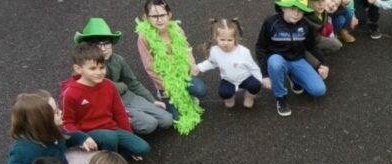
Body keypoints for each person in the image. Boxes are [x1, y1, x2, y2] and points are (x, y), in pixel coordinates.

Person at [75, 17, 174, 135]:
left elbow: (132, 82)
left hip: (129, 97)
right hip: (112, 105)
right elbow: (101, 91)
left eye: (107, 43)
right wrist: (121, 87)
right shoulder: (86, 68)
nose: (103, 49)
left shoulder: (118, 59)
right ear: (89, 47)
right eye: (98, 45)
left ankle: (139, 116)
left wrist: (151, 100)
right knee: (149, 124)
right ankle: (121, 124)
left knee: (167, 119)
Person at [61, 43, 152, 159]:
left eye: (102, 67)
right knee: (109, 138)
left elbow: (120, 114)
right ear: (78, 69)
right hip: (88, 133)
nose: (99, 72)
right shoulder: (70, 93)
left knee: (143, 149)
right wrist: (82, 138)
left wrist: (129, 137)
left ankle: (110, 151)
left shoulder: (109, 85)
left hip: (111, 129)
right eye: (93, 68)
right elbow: (67, 123)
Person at [0, 91, 96, 164]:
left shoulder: (51, 134)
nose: (61, 111)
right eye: (55, 112)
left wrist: (82, 138)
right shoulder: (25, 151)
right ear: (42, 120)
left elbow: (67, 138)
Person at [136, 0, 206, 132]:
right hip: (165, 81)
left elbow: (186, 49)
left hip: (182, 74)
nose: (159, 20)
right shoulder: (144, 37)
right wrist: (166, 86)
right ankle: (165, 95)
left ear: (169, 15)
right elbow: (150, 66)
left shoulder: (176, 29)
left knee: (201, 90)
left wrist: (192, 66)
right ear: (146, 18)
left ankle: (188, 94)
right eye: (154, 17)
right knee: (177, 119)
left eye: (162, 15)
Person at [257, 0, 330, 117]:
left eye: (300, 10)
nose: (297, 14)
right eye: (292, 9)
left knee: (319, 90)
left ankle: (293, 77)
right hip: (278, 59)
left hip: (297, 60)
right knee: (275, 63)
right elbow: (261, 48)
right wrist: (264, 75)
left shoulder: (305, 24)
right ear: (282, 8)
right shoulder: (271, 22)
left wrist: (324, 64)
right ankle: (281, 98)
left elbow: (311, 46)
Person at [198, 18, 264, 109]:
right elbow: (212, 63)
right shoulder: (215, 51)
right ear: (215, 38)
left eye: (229, 40)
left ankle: (249, 97)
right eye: (222, 40)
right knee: (224, 93)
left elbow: (252, 67)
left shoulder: (243, 52)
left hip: (245, 77)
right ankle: (230, 98)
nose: (226, 43)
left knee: (255, 86)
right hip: (229, 79)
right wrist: (199, 67)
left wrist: (260, 79)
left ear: (235, 38)